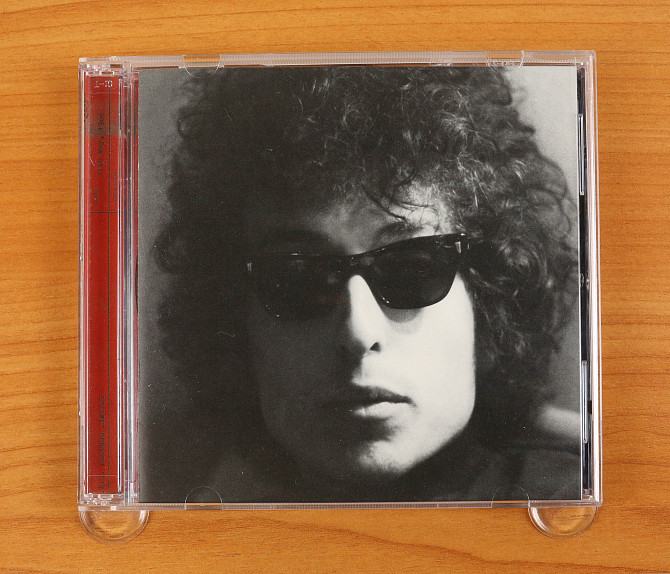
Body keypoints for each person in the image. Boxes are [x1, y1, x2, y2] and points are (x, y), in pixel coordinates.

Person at [144, 65, 580, 503]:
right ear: (237, 322)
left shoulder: (575, 497)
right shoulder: (178, 501)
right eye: (300, 278)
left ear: (489, 301)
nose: (358, 333)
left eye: (411, 269)